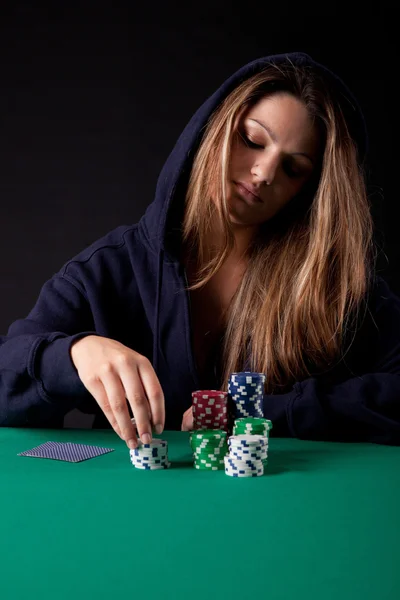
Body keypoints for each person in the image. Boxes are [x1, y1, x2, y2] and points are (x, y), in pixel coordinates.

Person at [1, 51, 399, 448]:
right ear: (214, 128)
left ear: (308, 192)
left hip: (283, 507)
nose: (263, 173)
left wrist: (273, 413)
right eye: (252, 140)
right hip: (134, 508)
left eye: (293, 169)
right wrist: (70, 356)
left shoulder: (336, 289)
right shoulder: (110, 269)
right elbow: (6, 384)